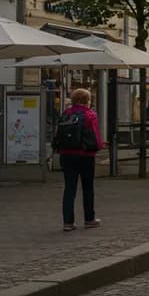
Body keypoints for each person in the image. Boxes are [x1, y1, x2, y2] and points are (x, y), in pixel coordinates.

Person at [54, 88, 104, 231]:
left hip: (66, 155)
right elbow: (95, 136)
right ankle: (89, 219)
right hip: (85, 155)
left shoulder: (65, 114)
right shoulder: (90, 115)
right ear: (87, 101)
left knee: (69, 188)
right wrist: (99, 146)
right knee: (87, 187)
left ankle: (68, 222)